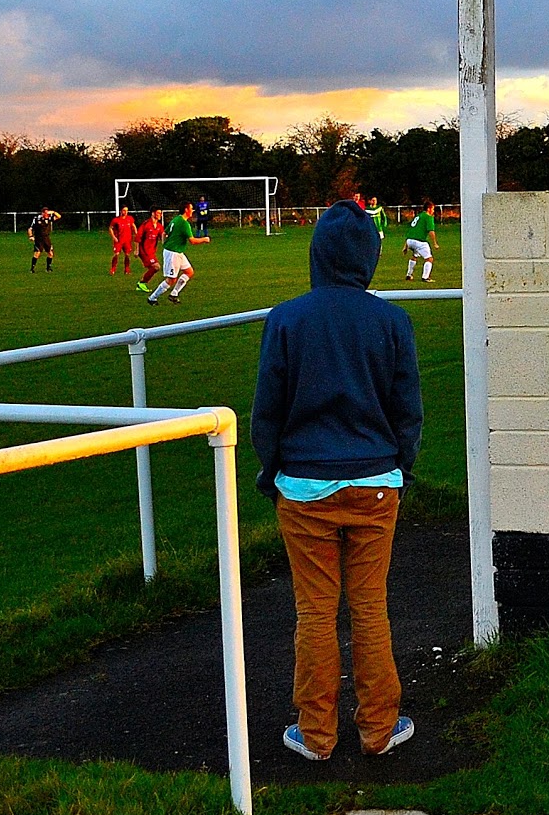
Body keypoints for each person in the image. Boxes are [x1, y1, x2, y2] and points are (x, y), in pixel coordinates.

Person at [251, 200, 422, 761]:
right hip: (376, 483)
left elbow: (266, 413)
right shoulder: (392, 321)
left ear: (317, 253)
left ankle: (317, 734)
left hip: (301, 487)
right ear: (370, 256)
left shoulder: (286, 319)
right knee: (370, 607)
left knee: (316, 612)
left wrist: (271, 469)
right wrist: (401, 468)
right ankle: (379, 728)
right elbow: (408, 413)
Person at [147, 203, 210, 306]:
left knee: (189, 272)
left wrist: (165, 244)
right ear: (186, 210)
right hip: (173, 254)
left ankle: (174, 294)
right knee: (171, 279)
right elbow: (192, 241)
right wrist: (205, 239)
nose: (192, 210)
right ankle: (152, 298)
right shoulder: (184, 224)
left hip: (177, 252)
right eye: (191, 208)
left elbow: (164, 233)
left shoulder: (176, 219)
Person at [402, 201, 437, 282]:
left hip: (409, 240)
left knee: (414, 256)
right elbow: (431, 231)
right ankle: (425, 277)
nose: (433, 211)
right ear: (428, 209)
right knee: (429, 259)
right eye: (433, 209)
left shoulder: (418, 216)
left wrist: (406, 245)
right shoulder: (428, 217)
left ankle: (409, 275)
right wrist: (435, 243)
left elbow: (411, 230)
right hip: (419, 241)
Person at [135, 208, 165, 294]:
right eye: (159, 213)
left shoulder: (159, 226)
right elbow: (138, 238)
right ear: (153, 213)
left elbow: (163, 238)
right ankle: (141, 283)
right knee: (156, 267)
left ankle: (141, 284)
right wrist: (136, 250)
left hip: (151, 252)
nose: (160, 215)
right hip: (143, 250)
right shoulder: (146, 225)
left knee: (155, 268)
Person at [108, 205, 138, 276]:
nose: (126, 212)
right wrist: (114, 237)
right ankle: (113, 269)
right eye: (124, 210)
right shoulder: (116, 220)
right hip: (119, 240)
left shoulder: (130, 219)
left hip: (127, 240)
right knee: (116, 254)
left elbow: (133, 226)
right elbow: (110, 228)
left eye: (127, 210)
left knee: (127, 255)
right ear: (121, 211)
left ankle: (127, 269)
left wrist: (136, 233)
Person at [28, 207, 60, 272]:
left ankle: (48, 268)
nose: (46, 214)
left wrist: (53, 212)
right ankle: (32, 268)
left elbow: (59, 216)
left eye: (47, 212)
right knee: (37, 253)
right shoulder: (37, 219)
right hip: (39, 238)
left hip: (46, 238)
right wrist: (31, 236)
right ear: (42, 213)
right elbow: (30, 229)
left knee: (50, 253)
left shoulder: (49, 218)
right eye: (45, 213)